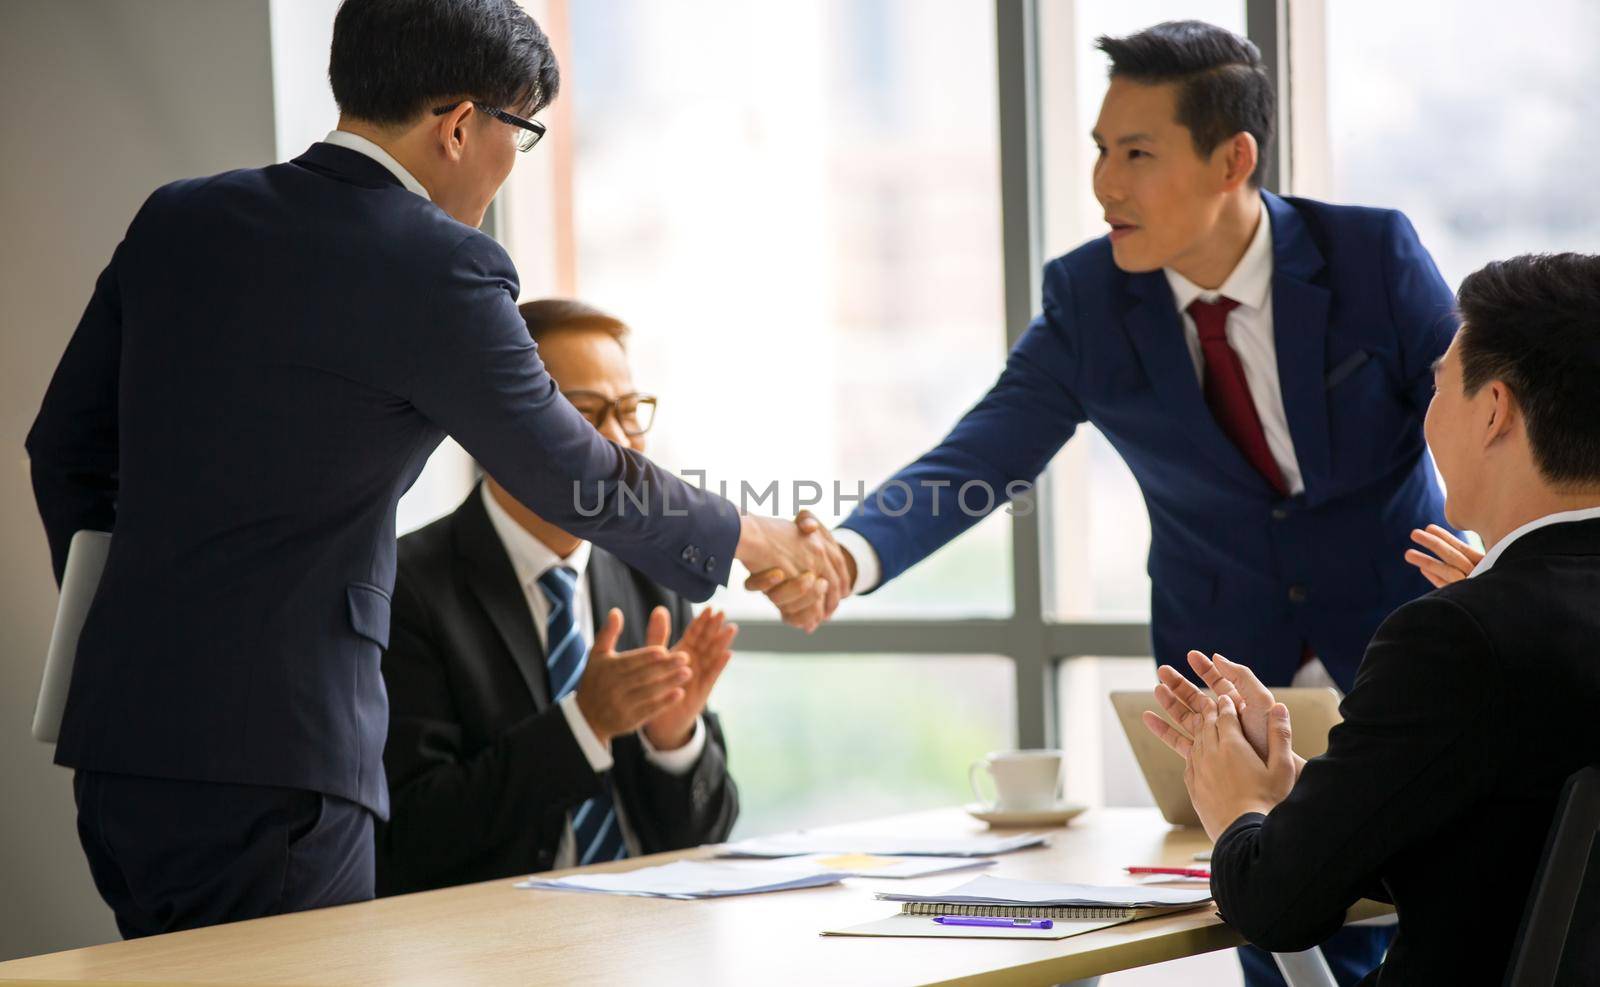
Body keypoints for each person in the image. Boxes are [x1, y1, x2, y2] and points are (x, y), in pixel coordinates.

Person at [24, 0, 843, 938]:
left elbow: (64, 448)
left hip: (120, 743)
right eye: (520, 135)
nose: (507, 170)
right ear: (462, 124)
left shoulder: (181, 219)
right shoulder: (438, 265)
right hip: (282, 766)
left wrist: (134, 614)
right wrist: (756, 535)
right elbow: (574, 472)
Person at [810, 20, 1456, 985]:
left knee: (1431, 931)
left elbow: (1491, 420)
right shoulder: (1089, 299)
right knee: (1275, 935)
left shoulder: (1371, 257)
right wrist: (848, 556)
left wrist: (1505, 574)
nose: (1106, 183)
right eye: (1102, 151)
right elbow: (985, 449)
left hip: (1401, 659)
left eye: (1138, 154)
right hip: (1230, 682)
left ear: (1233, 157)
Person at [1144, 252, 1600, 985]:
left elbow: (1274, 906)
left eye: (1439, 386)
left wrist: (1238, 808)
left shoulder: (1458, 636)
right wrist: (1307, 797)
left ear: (1494, 410)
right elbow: (1518, 849)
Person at [375, 300, 739, 894]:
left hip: (645, 941)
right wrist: (584, 724)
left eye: (629, 412)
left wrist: (672, 741)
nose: (619, 444)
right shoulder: (405, 588)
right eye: (584, 416)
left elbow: (705, 838)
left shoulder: (655, 576)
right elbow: (412, 837)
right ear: (493, 434)